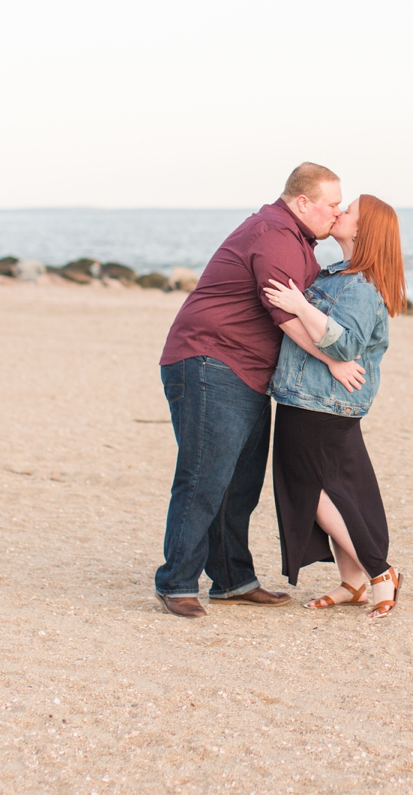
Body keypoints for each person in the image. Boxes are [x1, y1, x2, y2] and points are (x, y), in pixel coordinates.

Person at [154, 162, 367, 619]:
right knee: (205, 476)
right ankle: (176, 582)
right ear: (303, 202)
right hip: (211, 361)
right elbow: (287, 317)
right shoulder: (273, 234)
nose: (337, 212)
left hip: (246, 370)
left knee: (242, 483)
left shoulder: (298, 240)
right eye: (332, 204)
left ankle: (232, 580)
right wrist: (335, 361)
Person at [262, 195, 405, 619]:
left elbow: (346, 344)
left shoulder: (358, 285)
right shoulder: (337, 275)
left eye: (349, 212)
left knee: (317, 491)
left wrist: (300, 306)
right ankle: (354, 583)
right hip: (312, 398)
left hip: (319, 403)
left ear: (362, 231)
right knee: (340, 490)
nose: (339, 213)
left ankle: (380, 573)